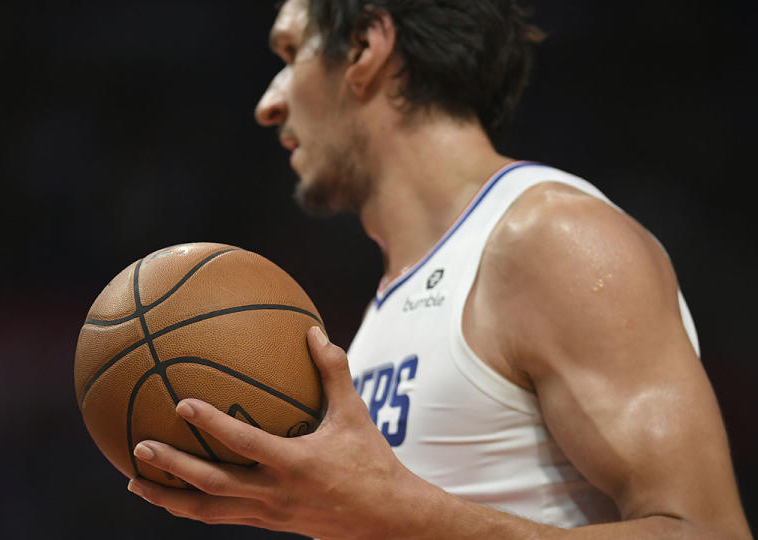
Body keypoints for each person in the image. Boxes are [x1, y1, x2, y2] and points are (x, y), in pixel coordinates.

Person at [125, 0, 752, 537]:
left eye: (292, 54)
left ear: (366, 45)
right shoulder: (387, 308)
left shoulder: (552, 238)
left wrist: (400, 517)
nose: (269, 103)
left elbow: (708, 531)